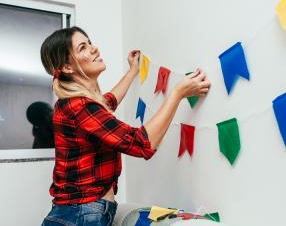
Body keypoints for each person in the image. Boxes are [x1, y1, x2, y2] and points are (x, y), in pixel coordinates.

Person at [40, 26, 211, 226]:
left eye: (90, 42)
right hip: (80, 216)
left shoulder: (73, 104)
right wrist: (177, 93)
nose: (94, 49)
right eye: (83, 48)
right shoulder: (80, 107)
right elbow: (142, 143)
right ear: (68, 67)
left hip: (74, 214)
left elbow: (108, 101)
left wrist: (133, 71)